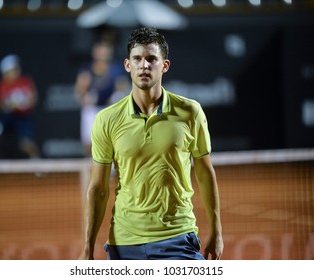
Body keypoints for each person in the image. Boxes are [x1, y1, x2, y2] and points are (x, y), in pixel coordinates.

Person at [79, 27, 223, 260]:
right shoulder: (106, 119)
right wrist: (87, 248)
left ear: (164, 65)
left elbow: (206, 173)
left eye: (151, 59)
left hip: (178, 237)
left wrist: (217, 230)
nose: (144, 66)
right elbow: (98, 188)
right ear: (128, 65)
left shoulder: (190, 112)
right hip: (124, 243)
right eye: (137, 59)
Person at [75, 40, 128, 157]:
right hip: (91, 110)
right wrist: (84, 96)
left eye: (105, 52)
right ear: (94, 53)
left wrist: (114, 99)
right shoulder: (87, 70)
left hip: (108, 110)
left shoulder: (115, 69)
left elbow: (122, 88)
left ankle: (112, 171)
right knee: (89, 144)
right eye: (100, 51)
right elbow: (79, 89)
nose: (102, 54)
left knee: (109, 142)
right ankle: (89, 167)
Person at [0, 54, 39, 160]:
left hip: (23, 118)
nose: (16, 71)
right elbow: (2, 105)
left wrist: (25, 103)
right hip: (8, 117)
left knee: (26, 144)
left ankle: (36, 161)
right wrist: (11, 104)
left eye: (16, 68)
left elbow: (33, 99)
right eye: (13, 69)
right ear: (5, 72)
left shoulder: (25, 81)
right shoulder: (2, 85)